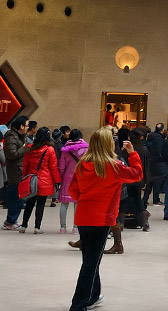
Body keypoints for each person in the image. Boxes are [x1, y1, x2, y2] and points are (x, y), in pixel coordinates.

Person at [68, 127, 142, 311]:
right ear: (109, 145)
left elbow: (73, 191)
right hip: (101, 219)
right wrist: (133, 154)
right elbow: (137, 174)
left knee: (91, 260)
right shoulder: (114, 166)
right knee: (91, 262)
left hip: (84, 216)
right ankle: (79, 303)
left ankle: (93, 296)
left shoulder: (82, 164)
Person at [19, 127, 61, 234]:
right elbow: (53, 167)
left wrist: (25, 177)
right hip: (44, 181)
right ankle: (37, 227)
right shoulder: (49, 150)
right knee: (40, 205)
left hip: (31, 179)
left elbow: (25, 165)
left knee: (29, 203)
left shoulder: (30, 149)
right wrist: (57, 181)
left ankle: (24, 225)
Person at [58, 129, 89, 234]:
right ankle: (75, 228)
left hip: (67, 178)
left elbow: (61, 167)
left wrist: (61, 178)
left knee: (64, 204)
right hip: (81, 178)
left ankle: (63, 227)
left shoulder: (65, 150)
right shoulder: (86, 149)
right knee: (77, 204)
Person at [2, 115, 29, 230]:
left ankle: (12, 220)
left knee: (18, 198)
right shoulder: (11, 137)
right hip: (15, 172)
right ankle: (10, 222)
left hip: (19, 170)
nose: (28, 128)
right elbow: (11, 154)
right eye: (27, 125)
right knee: (16, 198)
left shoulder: (19, 136)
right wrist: (24, 148)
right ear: (21, 126)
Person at [143, 123, 165, 207]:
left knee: (149, 182)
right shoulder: (159, 139)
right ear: (162, 130)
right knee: (157, 182)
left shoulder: (150, 137)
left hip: (149, 162)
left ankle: (145, 199)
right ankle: (156, 199)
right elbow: (159, 151)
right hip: (156, 163)